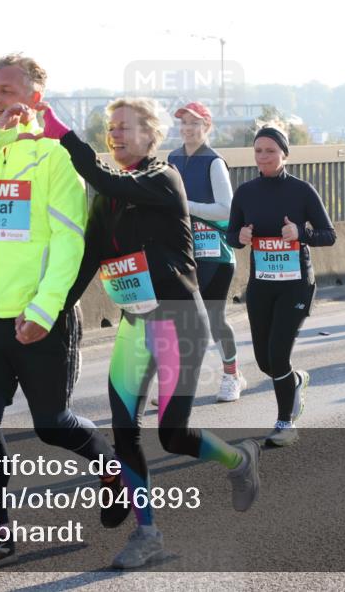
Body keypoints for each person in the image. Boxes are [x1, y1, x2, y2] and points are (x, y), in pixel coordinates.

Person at [26, 97, 261, 570]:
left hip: (178, 320)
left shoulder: (161, 178)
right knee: (124, 429)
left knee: (173, 435)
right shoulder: (109, 198)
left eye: (125, 128)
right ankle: (146, 532)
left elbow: (105, 177)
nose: (115, 135)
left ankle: (239, 462)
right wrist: (49, 314)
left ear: (151, 137)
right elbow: (89, 259)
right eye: (110, 129)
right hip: (135, 323)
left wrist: (64, 134)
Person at [0, 54, 117, 575]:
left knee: (52, 425)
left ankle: (111, 467)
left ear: (35, 98)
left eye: (7, 90)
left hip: (39, 319)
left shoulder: (56, 156)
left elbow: (69, 241)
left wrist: (43, 309)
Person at [227, 124, 336, 447]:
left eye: (270, 151)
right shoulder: (246, 192)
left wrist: (300, 234)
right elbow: (231, 235)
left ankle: (285, 422)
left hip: (296, 285)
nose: (263, 157)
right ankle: (296, 380)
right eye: (258, 151)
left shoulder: (302, 191)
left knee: (278, 353)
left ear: (284, 154)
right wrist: (240, 238)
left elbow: (329, 235)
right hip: (261, 285)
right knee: (265, 361)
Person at [167, 101, 244, 402]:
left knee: (213, 318)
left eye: (195, 123)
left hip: (215, 252)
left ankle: (231, 375)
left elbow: (227, 208)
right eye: (183, 122)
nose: (188, 128)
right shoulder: (172, 158)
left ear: (207, 127)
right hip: (183, 252)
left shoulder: (214, 162)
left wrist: (186, 207)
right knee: (179, 319)